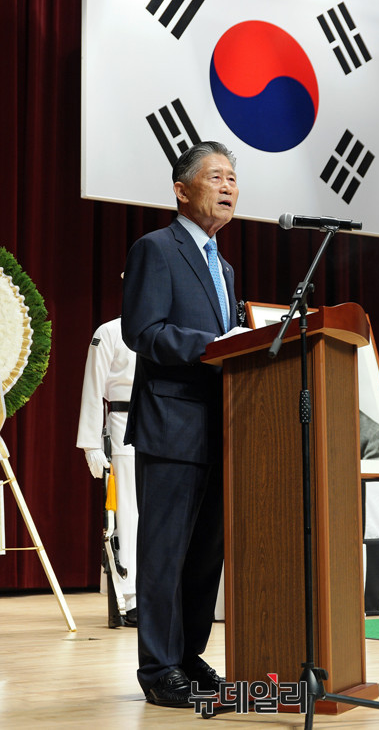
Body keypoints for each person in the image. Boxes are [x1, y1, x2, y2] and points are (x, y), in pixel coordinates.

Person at [121, 141, 244, 708]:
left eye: (232, 179)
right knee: (165, 554)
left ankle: (189, 655)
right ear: (181, 189)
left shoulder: (226, 267)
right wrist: (217, 345)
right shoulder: (156, 248)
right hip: (171, 425)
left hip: (222, 427)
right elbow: (143, 332)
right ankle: (158, 667)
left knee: (204, 556)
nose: (228, 187)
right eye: (215, 177)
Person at [76, 316, 138, 627]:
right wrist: (91, 443)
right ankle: (131, 598)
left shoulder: (166, 327)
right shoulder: (110, 331)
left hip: (165, 425)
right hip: (124, 426)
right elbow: (93, 385)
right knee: (127, 517)